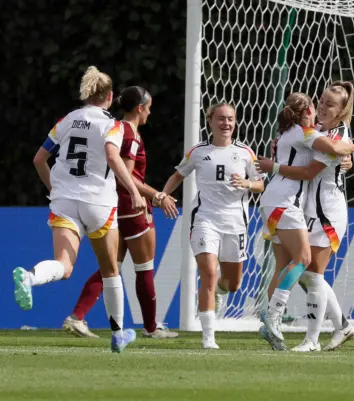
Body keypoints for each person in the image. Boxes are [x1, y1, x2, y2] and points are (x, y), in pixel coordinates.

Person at [17, 66, 143, 352]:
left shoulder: (67, 120)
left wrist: (55, 190)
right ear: (110, 97)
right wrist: (133, 191)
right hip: (98, 201)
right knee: (110, 269)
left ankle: (29, 277)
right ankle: (119, 333)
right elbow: (112, 155)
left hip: (64, 200)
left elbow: (39, 159)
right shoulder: (113, 124)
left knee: (64, 265)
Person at [62, 86, 179, 339]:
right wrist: (155, 195)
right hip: (132, 208)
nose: (150, 113)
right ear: (140, 108)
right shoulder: (130, 135)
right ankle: (150, 327)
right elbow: (126, 175)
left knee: (111, 267)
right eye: (148, 108)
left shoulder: (116, 128)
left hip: (114, 206)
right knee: (144, 268)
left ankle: (77, 316)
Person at [255, 82, 354, 352]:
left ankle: (311, 340)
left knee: (313, 273)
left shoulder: (335, 134)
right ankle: (342, 325)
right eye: (321, 101)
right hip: (305, 208)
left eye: (330, 104)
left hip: (327, 211)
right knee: (311, 274)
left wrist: (348, 149)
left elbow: (314, 169)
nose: (323, 106)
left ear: (342, 111)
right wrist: (349, 151)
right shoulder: (317, 131)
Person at [160, 103, 264, 349]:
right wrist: (163, 194)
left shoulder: (246, 153)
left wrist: (247, 183)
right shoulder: (197, 152)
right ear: (210, 121)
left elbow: (260, 184)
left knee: (233, 284)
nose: (226, 123)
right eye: (220, 119)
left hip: (235, 223)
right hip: (205, 219)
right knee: (207, 273)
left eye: (230, 119)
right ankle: (208, 337)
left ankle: (220, 288)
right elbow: (178, 175)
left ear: (235, 122)